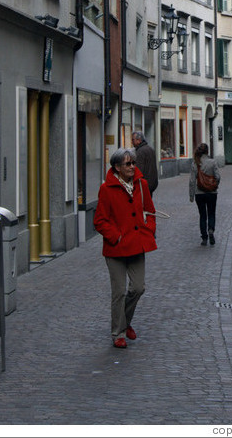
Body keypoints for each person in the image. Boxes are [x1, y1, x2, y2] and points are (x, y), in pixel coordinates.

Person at [94, 148, 157, 348]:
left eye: (133, 163)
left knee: (138, 288)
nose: (132, 167)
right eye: (127, 164)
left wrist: (148, 230)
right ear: (117, 167)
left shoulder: (142, 184)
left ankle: (126, 321)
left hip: (137, 245)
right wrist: (116, 236)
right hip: (116, 249)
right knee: (119, 292)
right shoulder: (106, 188)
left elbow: (150, 211)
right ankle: (118, 333)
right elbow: (100, 220)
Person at [189, 142, 221, 246]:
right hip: (212, 192)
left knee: (202, 215)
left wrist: (191, 195)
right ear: (207, 151)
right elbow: (218, 176)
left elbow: (192, 181)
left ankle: (204, 237)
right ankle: (211, 229)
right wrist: (215, 185)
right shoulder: (213, 162)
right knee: (211, 213)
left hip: (199, 193)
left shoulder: (195, 163)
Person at [131, 131, 159, 195]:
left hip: (144, 184)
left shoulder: (140, 152)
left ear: (139, 140)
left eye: (133, 140)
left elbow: (138, 170)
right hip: (151, 183)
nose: (132, 142)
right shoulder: (150, 149)